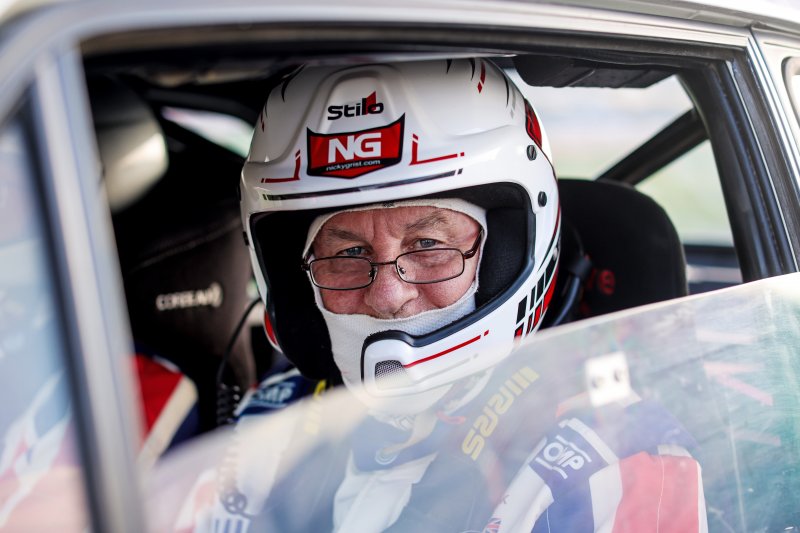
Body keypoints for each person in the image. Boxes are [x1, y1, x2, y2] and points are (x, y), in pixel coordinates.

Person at [208, 58, 707, 532]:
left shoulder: (607, 467)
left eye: (428, 245)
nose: (388, 296)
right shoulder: (275, 419)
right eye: (349, 252)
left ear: (505, 254)